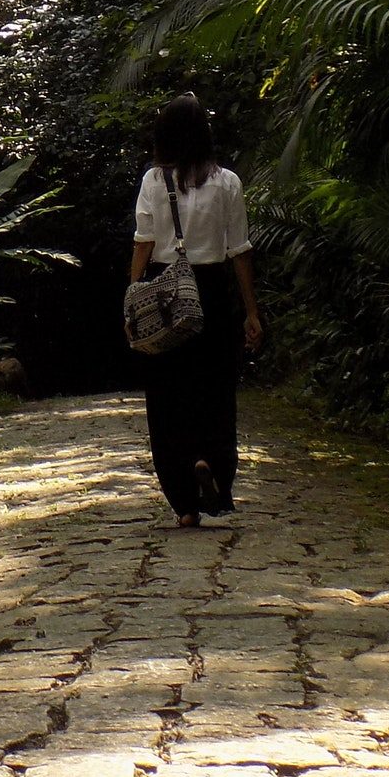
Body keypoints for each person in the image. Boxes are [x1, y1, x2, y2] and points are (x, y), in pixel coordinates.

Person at [129, 93, 262, 529]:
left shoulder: (153, 181)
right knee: (215, 388)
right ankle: (211, 462)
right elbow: (239, 250)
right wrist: (251, 312)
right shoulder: (228, 182)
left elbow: (144, 241)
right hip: (212, 290)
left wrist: (133, 294)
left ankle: (184, 501)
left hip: (168, 291)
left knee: (168, 394)